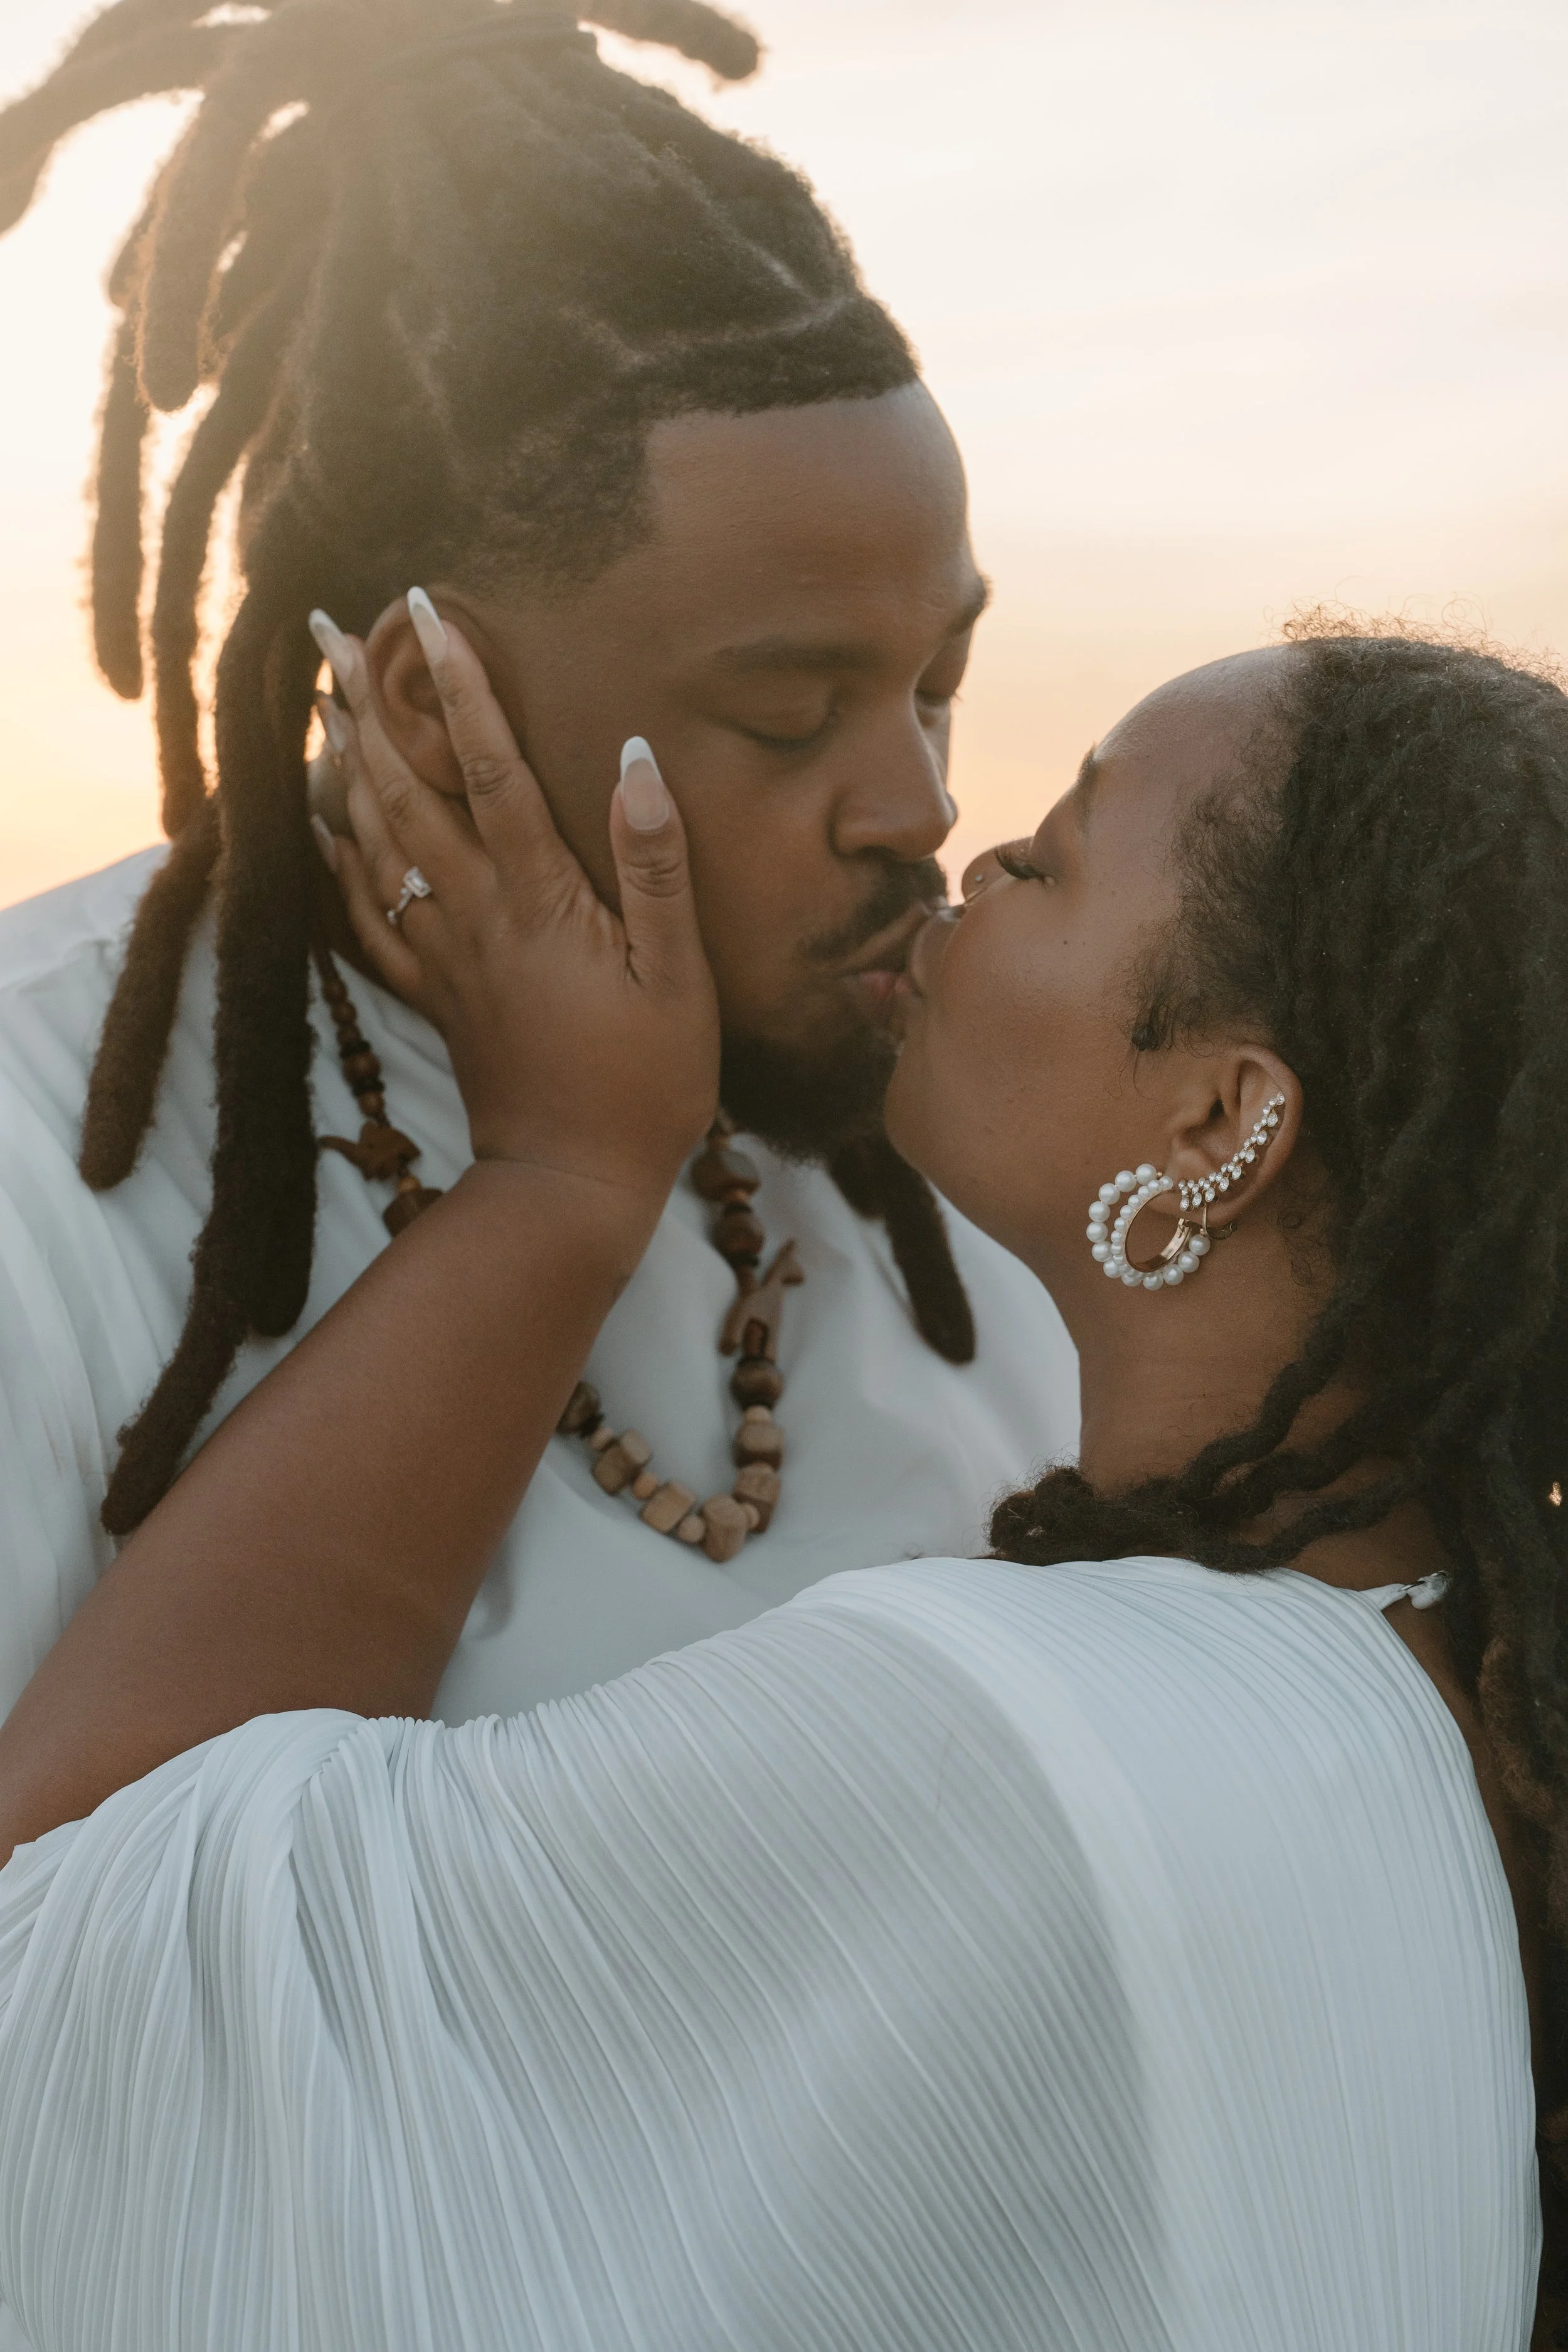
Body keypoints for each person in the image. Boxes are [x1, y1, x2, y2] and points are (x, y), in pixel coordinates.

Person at [0, 617, 1552, 2349]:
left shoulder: (1005, 1738)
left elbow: (72, 1990)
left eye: (1046, 857)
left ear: (1217, 1125)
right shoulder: (1431, 1689)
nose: (951, 837)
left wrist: (561, 1171)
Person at [0, 0, 1076, 1729]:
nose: (917, 805)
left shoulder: (951, 1149)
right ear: (433, 705)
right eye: (795, 712)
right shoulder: (35, 1177)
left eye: (935, 683)